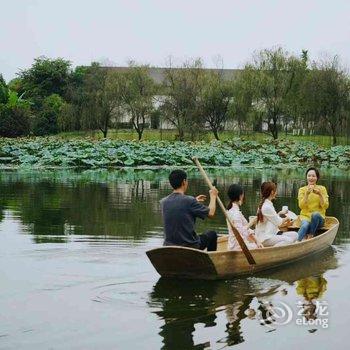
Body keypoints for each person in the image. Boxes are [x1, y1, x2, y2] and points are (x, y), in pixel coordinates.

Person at [160, 169, 219, 251]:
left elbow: (179, 208)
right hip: (190, 246)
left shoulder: (163, 202)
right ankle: (209, 262)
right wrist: (213, 196)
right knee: (212, 234)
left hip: (168, 246)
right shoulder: (189, 201)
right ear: (184, 182)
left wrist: (195, 200)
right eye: (186, 180)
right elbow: (211, 213)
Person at [255, 182, 298, 247]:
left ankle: (277, 247)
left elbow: (272, 218)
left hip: (271, 233)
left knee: (295, 235)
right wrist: (287, 218)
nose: (276, 192)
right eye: (276, 190)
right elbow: (279, 223)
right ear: (272, 192)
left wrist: (280, 213)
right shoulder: (267, 206)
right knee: (288, 240)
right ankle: (271, 252)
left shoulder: (267, 204)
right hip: (265, 237)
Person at [297, 167, 329, 241]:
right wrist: (306, 194)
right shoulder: (302, 190)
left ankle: (311, 234)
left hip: (319, 218)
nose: (311, 178)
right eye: (309, 176)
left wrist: (320, 194)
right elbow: (301, 206)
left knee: (315, 214)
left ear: (317, 178)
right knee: (304, 226)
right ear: (306, 177)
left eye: (313, 176)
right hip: (305, 217)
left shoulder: (322, 189)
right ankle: (295, 243)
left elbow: (325, 206)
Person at [226, 184, 261, 250]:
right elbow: (240, 233)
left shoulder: (232, 210)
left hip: (235, 245)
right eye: (243, 194)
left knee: (258, 243)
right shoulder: (235, 213)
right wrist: (251, 223)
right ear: (240, 196)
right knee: (259, 247)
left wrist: (256, 240)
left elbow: (245, 228)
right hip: (238, 247)